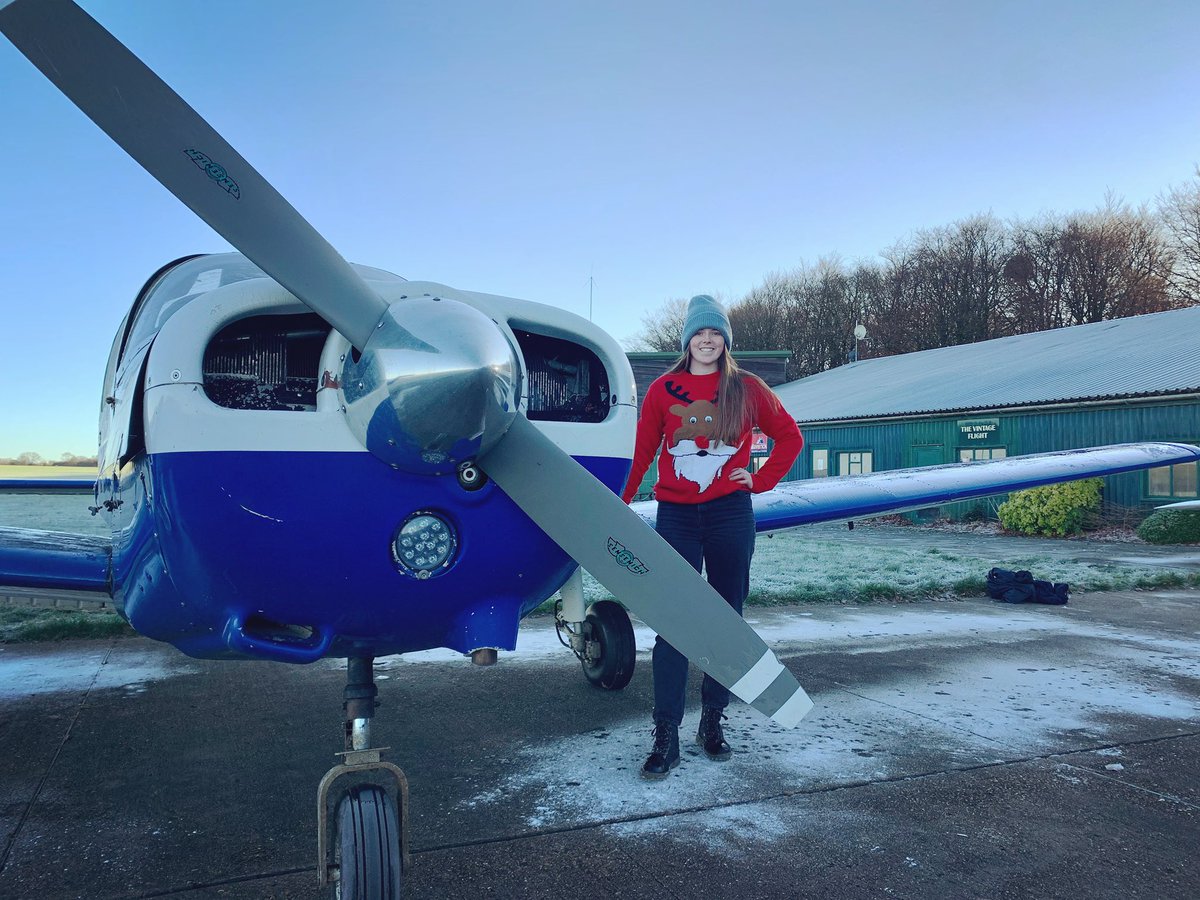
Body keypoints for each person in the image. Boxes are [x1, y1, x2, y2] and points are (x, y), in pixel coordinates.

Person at [620, 294, 803, 778]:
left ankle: (713, 721)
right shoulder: (663, 389)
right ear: (687, 340)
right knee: (674, 621)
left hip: (729, 515)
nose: (707, 340)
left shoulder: (748, 388)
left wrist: (760, 480)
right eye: (699, 333)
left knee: (726, 621)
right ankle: (666, 733)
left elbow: (790, 437)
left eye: (715, 333)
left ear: (725, 340)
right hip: (677, 516)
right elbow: (642, 452)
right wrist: (618, 504)